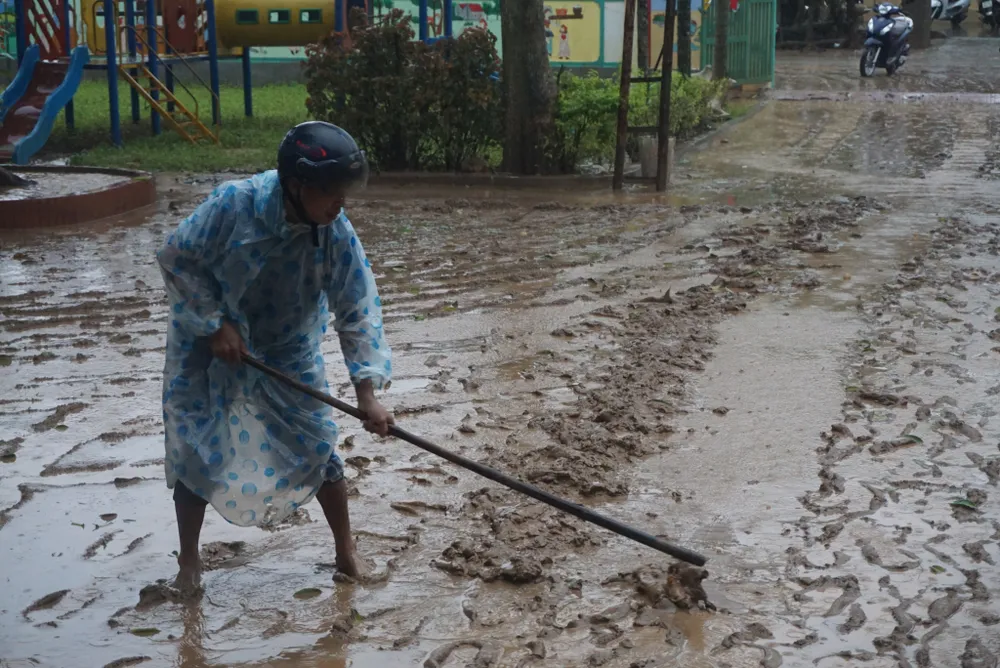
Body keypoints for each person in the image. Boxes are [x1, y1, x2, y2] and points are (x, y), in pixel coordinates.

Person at [156, 121, 393, 594]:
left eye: (344, 193)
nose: (340, 203)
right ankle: (188, 565)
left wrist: (367, 393)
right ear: (296, 185)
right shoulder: (234, 206)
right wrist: (214, 323)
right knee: (194, 447)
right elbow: (177, 257)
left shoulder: (334, 232)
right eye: (330, 193)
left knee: (318, 442)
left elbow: (357, 308)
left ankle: (346, 552)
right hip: (208, 345)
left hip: (288, 348)